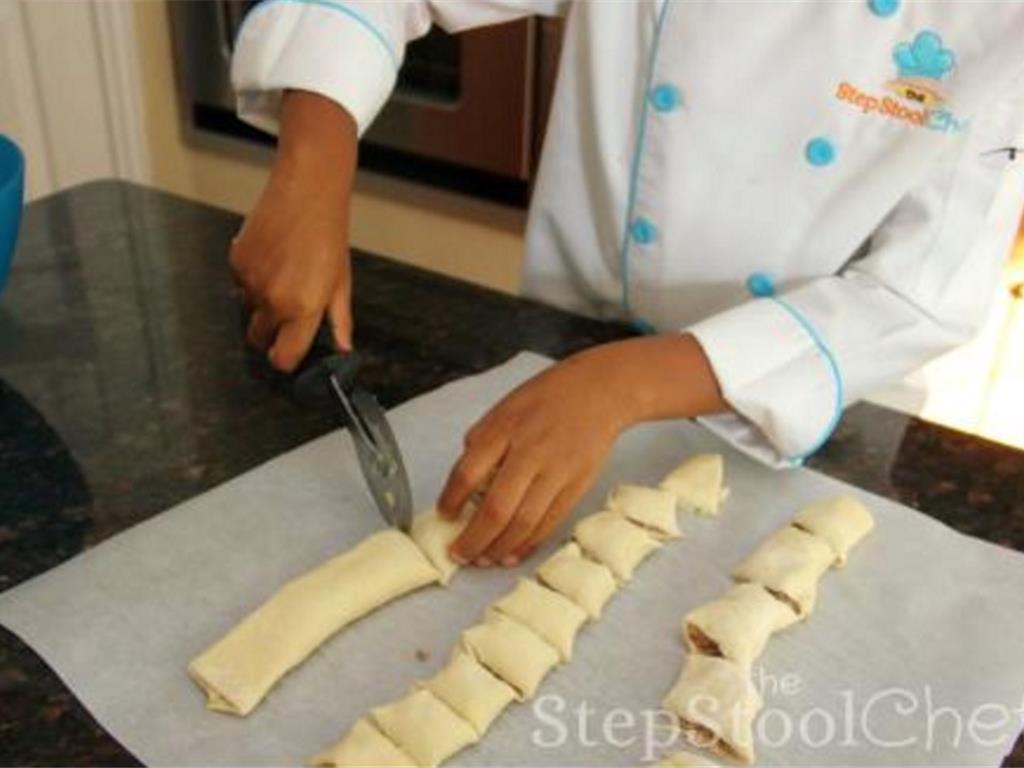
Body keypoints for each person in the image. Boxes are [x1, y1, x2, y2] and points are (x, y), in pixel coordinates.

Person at [228, 1, 1024, 568]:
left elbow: (918, 293)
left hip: (817, 397)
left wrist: (624, 387)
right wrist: (313, 161)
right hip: (573, 338)